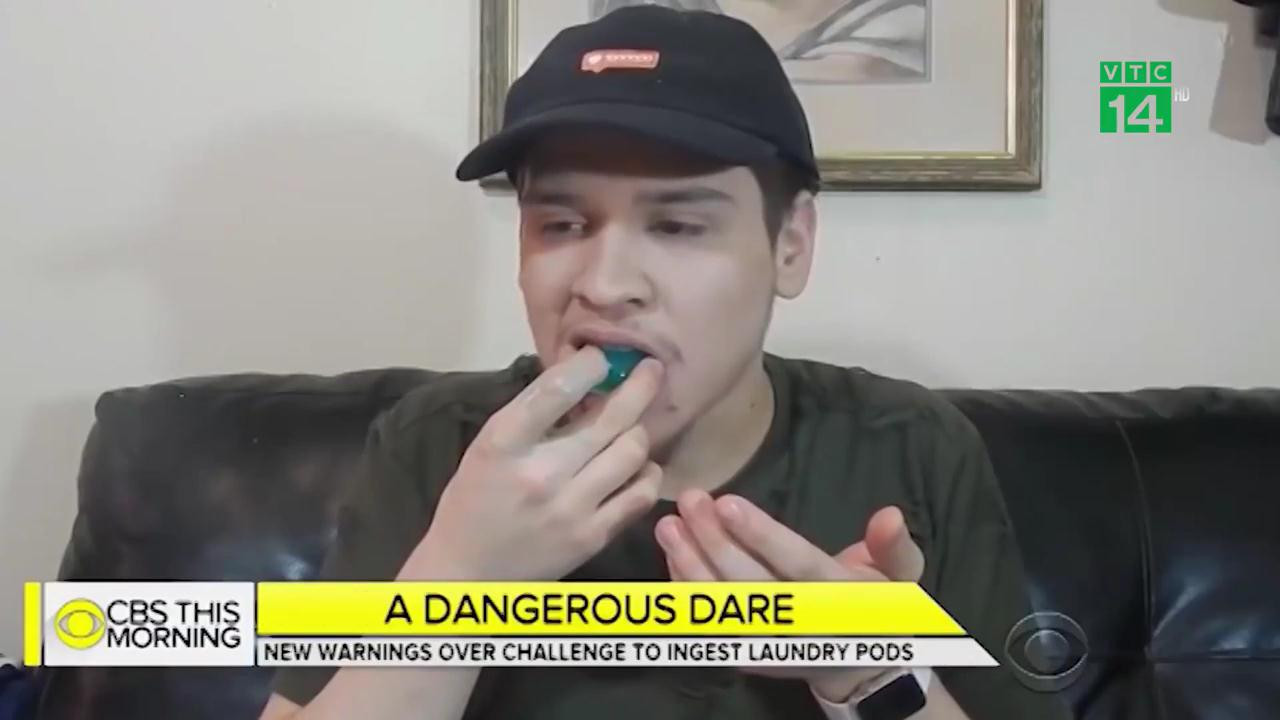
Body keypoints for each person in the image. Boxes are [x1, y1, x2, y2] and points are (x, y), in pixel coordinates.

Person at [259, 6, 1071, 719]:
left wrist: (869, 672)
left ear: (790, 246)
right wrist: (459, 578)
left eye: (678, 227)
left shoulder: (908, 446)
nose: (605, 285)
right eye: (562, 226)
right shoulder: (438, 445)